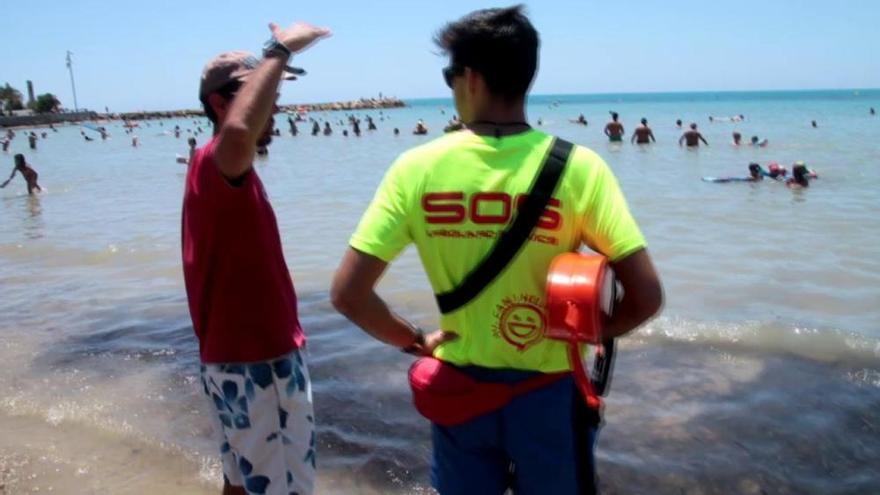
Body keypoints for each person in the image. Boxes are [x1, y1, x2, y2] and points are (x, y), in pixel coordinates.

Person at [330, 7, 663, 494]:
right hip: (549, 395)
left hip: (460, 392)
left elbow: (349, 295)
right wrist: (586, 334)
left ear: (471, 78)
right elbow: (646, 296)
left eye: (450, 76)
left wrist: (417, 340)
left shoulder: (415, 169)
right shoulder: (580, 167)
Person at [183, 21, 329, 495]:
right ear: (221, 104)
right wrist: (281, 48)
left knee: (240, 485)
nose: (276, 109)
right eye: (265, 98)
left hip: (229, 362)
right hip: (259, 363)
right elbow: (241, 129)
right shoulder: (215, 161)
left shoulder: (220, 170)